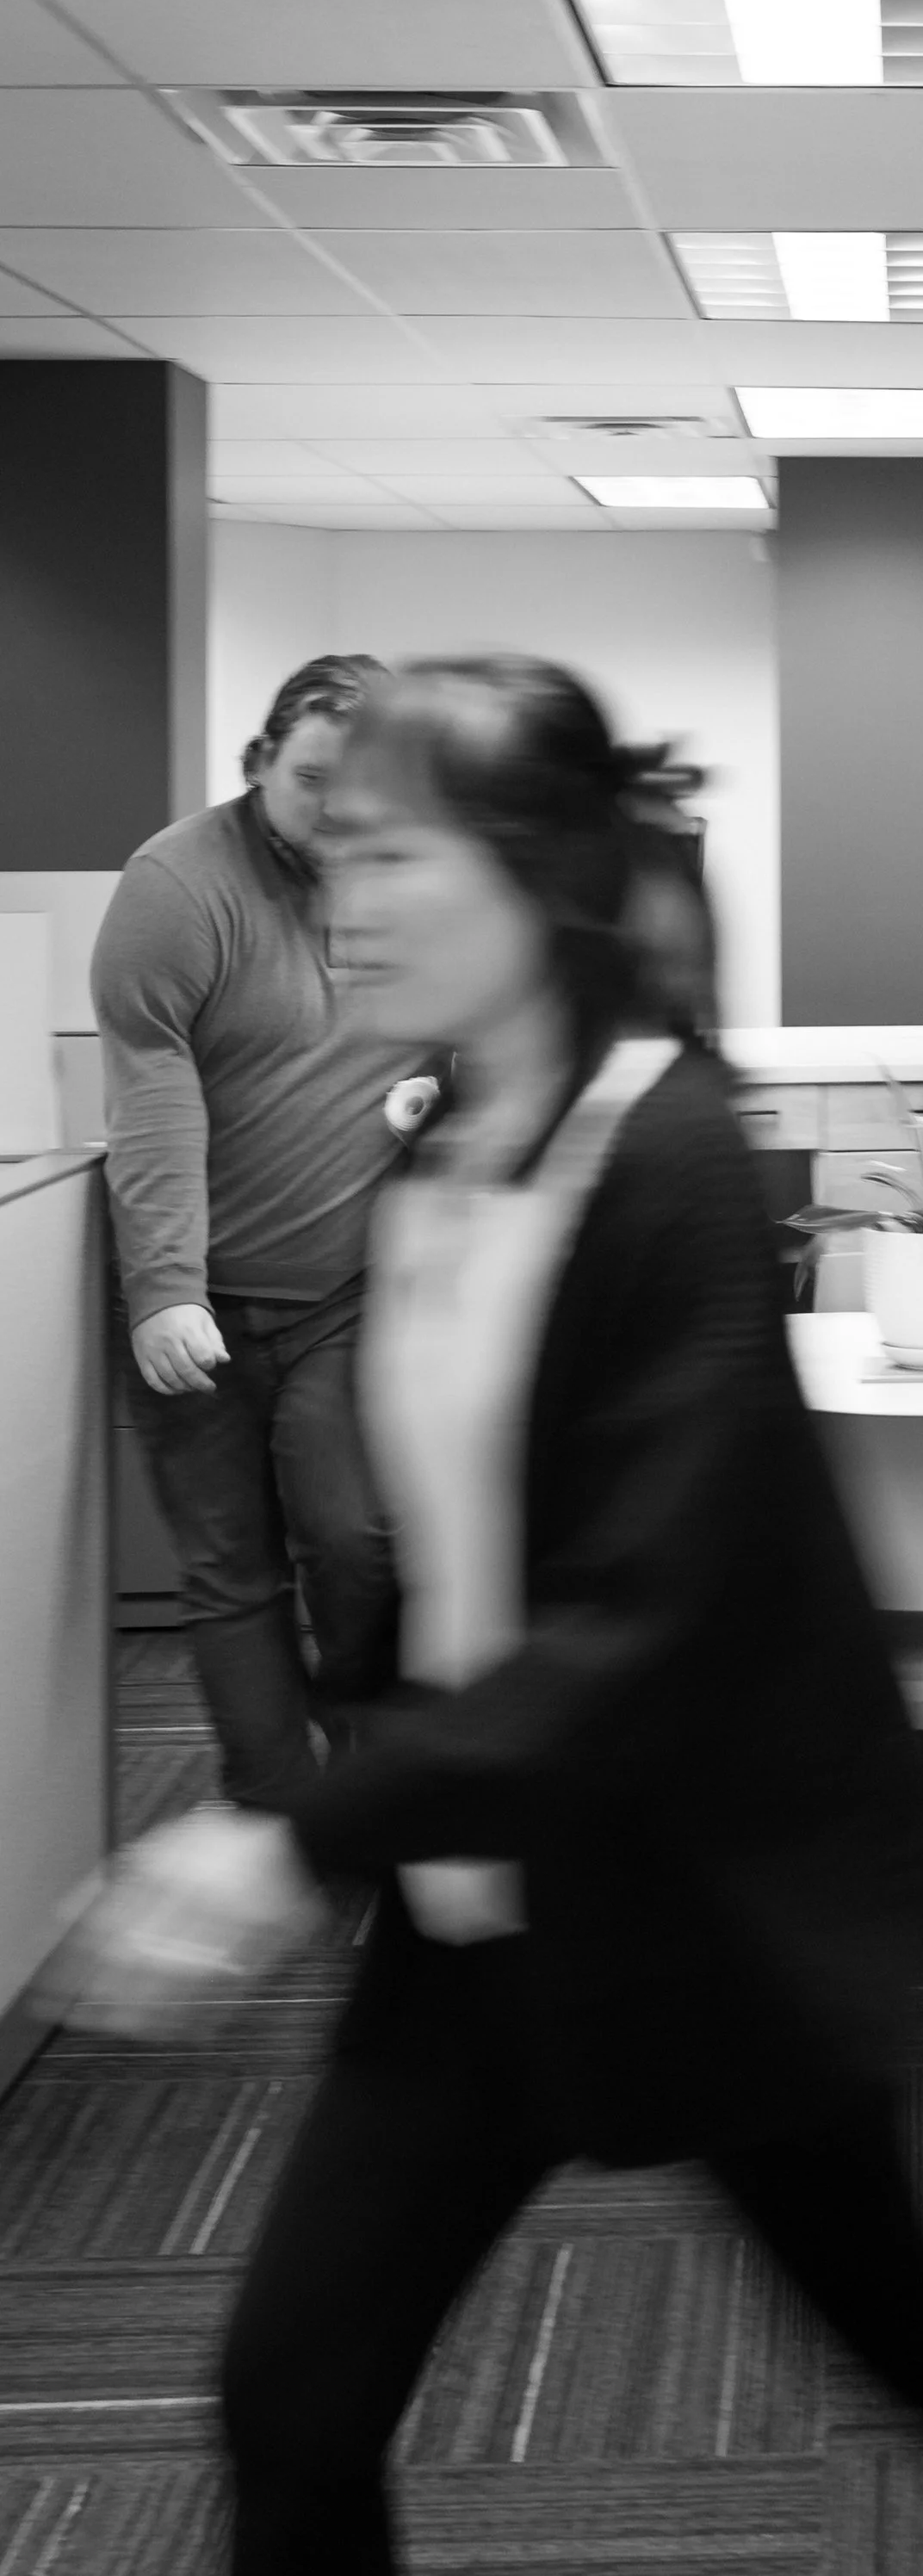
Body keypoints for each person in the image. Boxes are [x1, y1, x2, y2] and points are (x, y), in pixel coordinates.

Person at [53, 656, 923, 2576]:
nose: (347, 893)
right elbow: (451, 1549)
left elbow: (634, 1625)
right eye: (340, 848)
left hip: (714, 1902)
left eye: (397, 852)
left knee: (918, 2336)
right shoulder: (439, 1130)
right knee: (288, 2407)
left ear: (539, 876)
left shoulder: (671, 1162)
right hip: (484, 1902)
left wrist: (289, 1830)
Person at [90, 654, 425, 1808]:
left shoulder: (415, 879)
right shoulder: (176, 885)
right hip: (205, 1304)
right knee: (230, 1572)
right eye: (312, 782)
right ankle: (279, 1814)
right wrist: (163, 1284)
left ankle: (373, 1796)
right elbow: (151, 1089)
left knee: (356, 1540)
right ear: (259, 764)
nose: (339, 812)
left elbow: (481, 1033)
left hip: (350, 1295)